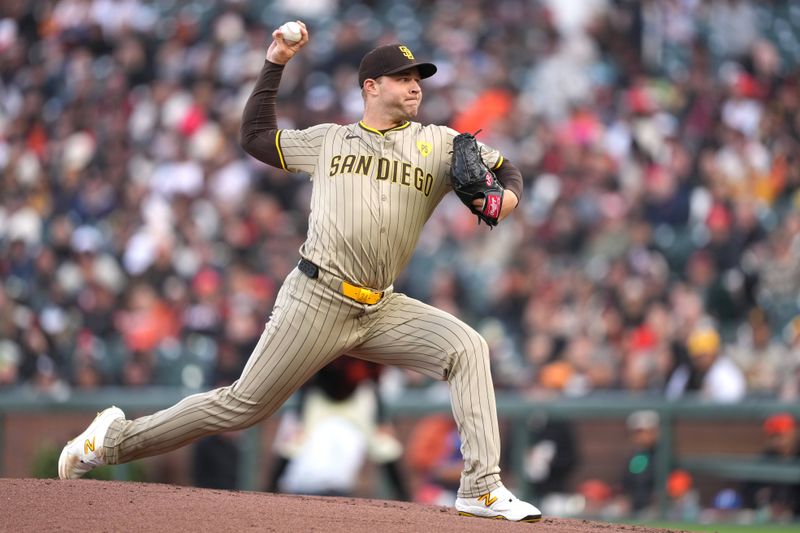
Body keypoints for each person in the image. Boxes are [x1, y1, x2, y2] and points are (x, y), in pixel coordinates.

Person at [57, 21, 542, 523]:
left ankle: (481, 488)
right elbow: (255, 136)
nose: (415, 85)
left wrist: (505, 198)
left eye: (419, 77)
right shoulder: (330, 140)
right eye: (402, 77)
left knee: (468, 348)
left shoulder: (440, 144)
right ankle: (110, 441)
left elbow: (507, 170)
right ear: (370, 87)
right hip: (318, 298)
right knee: (242, 407)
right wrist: (276, 62)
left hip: (381, 305)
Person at [265, 356, 408, 500]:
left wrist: (381, 419)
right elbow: (307, 376)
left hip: (357, 397)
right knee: (293, 444)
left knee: (385, 446)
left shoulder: (361, 343)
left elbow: (373, 378)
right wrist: (300, 417)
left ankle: (405, 501)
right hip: (321, 397)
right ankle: (267, 495)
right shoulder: (321, 339)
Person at [741, 412, 800, 521]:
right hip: (770, 517)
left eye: (781, 435)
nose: (777, 441)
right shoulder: (766, 457)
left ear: (792, 433)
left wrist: (791, 506)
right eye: (773, 436)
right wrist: (760, 496)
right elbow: (748, 489)